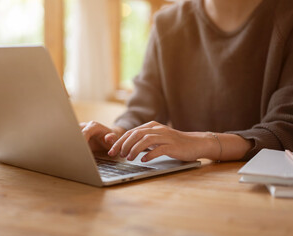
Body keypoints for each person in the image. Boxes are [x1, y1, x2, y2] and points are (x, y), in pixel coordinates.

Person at [80, 0, 293, 162]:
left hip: (261, 195)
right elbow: (141, 112)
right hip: (189, 188)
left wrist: (200, 143)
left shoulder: (286, 20)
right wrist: (114, 137)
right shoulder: (167, 23)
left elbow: (284, 131)